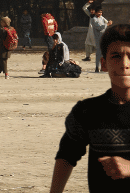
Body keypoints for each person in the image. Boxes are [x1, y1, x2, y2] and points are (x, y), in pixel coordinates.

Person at [48, 23, 130, 192]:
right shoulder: (87, 112)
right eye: (116, 56)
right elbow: (67, 155)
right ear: (104, 63)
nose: (124, 64)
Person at [92, 8, 110, 73]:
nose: (100, 14)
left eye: (101, 12)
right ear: (95, 13)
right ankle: (97, 67)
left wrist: (107, 23)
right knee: (98, 53)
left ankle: (103, 67)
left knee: (103, 53)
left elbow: (106, 21)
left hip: (103, 37)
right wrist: (106, 25)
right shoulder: (94, 19)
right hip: (98, 38)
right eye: (98, 12)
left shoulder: (101, 18)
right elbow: (99, 28)